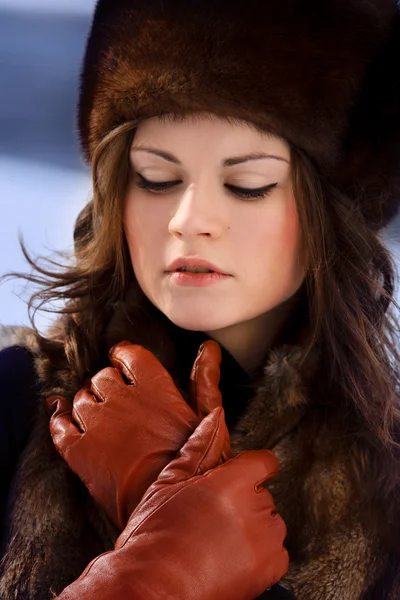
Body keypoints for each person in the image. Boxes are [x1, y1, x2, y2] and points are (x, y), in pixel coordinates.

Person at [0, 0, 400, 598]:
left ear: (333, 214)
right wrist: (152, 572)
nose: (188, 221)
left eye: (248, 185)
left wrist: (167, 501)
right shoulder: (12, 402)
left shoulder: (391, 486)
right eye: (155, 178)